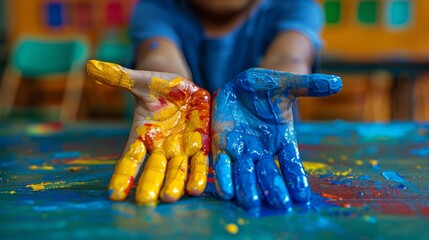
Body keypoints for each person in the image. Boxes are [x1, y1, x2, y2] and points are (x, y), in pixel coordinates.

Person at [86, 0, 342, 210]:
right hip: (174, 145)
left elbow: (290, 54)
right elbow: (159, 55)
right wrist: (172, 90)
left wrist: (277, 79)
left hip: (268, 147)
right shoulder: (156, 7)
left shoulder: (295, 5)